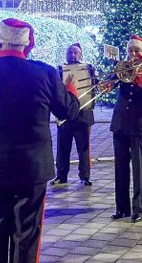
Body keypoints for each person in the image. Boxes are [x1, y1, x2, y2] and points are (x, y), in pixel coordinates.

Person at [0, 18, 80, 262]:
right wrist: (70, 89)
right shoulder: (45, 73)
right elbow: (69, 112)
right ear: (27, 43)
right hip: (31, 169)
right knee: (26, 238)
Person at [110, 35, 142, 223]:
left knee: (139, 170)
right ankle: (122, 208)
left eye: (136, 51)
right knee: (120, 169)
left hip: (139, 125)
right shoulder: (123, 68)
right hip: (120, 124)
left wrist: (138, 75)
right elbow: (110, 83)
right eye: (130, 51)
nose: (132, 54)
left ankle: (139, 209)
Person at [52, 43, 97, 187]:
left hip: (83, 114)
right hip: (65, 115)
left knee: (83, 148)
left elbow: (95, 86)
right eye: (70, 52)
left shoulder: (89, 68)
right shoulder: (59, 69)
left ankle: (85, 176)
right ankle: (61, 176)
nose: (73, 55)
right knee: (62, 147)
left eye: (76, 52)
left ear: (81, 54)